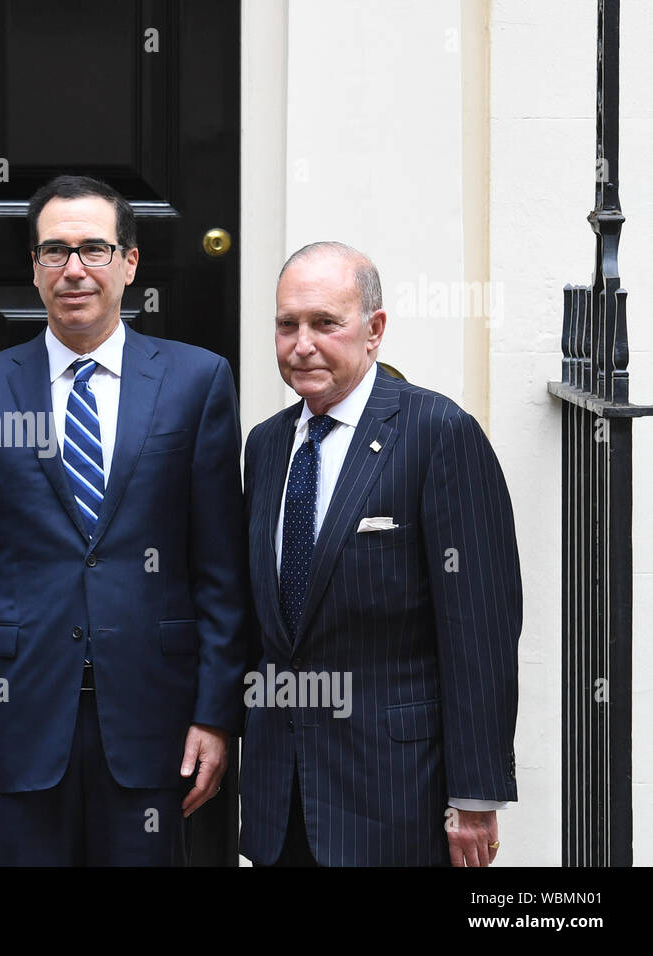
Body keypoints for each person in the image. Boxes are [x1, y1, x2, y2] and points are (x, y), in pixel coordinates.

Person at [0, 175, 248, 865]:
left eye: (94, 249)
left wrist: (216, 714)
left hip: (157, 722)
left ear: (129, 263)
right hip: (15, 724)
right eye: (55, 251)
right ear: (35, 268)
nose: (74, 269)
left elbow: (220, 569)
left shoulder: (197, 383)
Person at [240, 241, 521, 867]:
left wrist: (474, 796)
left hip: (395, 796)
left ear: (375, 330)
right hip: (280, 796)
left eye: (325, 323)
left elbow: (479, 630)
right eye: (287, 324)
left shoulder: (437, 434)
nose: (302, 343)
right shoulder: (265, 445)